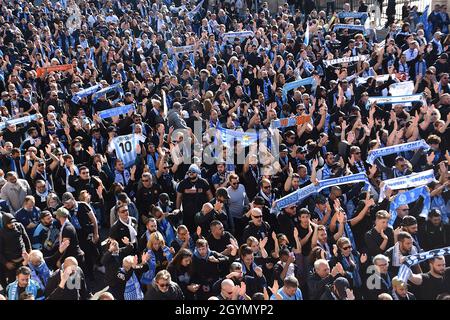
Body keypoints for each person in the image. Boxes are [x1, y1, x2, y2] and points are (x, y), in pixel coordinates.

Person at [176, 164, 213, 232]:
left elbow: (209, 195)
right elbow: (179, 197)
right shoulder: (182, 183)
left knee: (202, 231)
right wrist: (178, 209)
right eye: (189, 172)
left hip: (201, 213)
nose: (191, 173)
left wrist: (211, 208)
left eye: (193, 172)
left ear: (197, 172)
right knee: (189, 232)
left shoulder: (203, 182)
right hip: (188, 214)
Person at [0, 212, 31, 285]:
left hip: (23, 258)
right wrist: (6, 263)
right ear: (5, 224)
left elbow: (26, 238)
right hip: (12, 262)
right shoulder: (1, 233)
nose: (12, 224)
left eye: (13, 222)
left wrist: (29, 250)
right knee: (13, 282)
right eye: (9, 223)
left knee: (27, 277)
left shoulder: (19, 226)